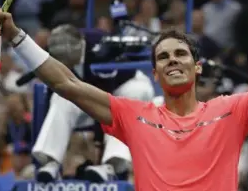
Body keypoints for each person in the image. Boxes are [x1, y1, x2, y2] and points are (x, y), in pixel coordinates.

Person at [0, 0, 248, 191]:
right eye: (163, 57)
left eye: (180, 54)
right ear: (156, 73)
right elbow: (66, 83)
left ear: (198, 68)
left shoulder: (232, 110)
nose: (172, 60)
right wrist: (16, 37)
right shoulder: (133, 114)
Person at [29, 25, 155, 181]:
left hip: (126, 85)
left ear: (79, 46)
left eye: (66, 57)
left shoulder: (101, 47)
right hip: (88, 94)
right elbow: (58, 86)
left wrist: (97, 141)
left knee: (127, 104)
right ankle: (50, 162)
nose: (64, 62)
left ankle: (111, 166)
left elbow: (106, 100)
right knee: (60, 97)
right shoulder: (61, 55)